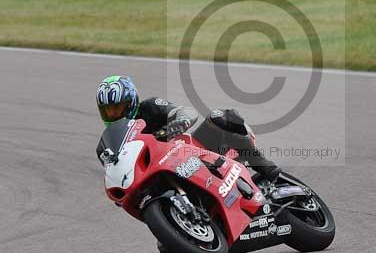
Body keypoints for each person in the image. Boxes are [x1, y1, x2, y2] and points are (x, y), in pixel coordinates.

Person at [94, 75, 281, 181]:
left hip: (192, 153)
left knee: (220, 117)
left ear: (131, 102)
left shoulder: (149, 107)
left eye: (117, 108)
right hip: (160, 175)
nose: (114, 114)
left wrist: (179, 123)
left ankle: (267, 169)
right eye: (108, 111)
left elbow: (185, 111)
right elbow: (115, 173)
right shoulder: (108, 144)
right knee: (168, 246)